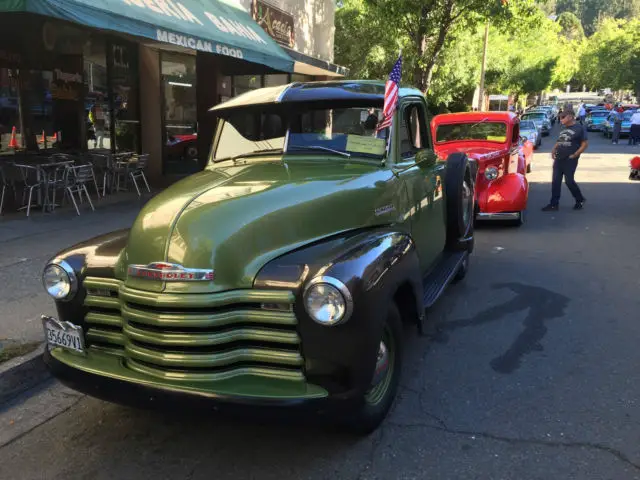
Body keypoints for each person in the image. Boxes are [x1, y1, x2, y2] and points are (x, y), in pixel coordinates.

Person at [542, 110, 588, 211]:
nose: (560, 119)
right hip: (559, 158)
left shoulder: (579, 128)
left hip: (570, 159)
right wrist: (554, 149)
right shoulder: (564, 128)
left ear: (571, 117)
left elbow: (584, 144)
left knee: (569, 181)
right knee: (556, 182)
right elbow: (561, 140)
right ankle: (554, 204)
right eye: (560, 117)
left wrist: (575, 154)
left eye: (563, 117)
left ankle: (579, 199)